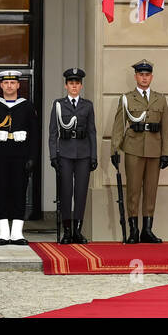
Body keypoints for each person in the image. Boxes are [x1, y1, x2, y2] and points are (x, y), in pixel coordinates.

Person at [110, 59, 168, 244]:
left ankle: (147, 229)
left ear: (151, 77)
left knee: (151, 191)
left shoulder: (160, 98)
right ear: (136, 76)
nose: (144, 78)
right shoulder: (127, 98)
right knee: (134, 191)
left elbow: (166, 128)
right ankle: (134, 230)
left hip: (154, 148)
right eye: (141, 75)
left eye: (147, 75)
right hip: (134, 148)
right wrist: (115, 149)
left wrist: (166, 152)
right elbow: (119, 125)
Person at [0, 69, 38, 246]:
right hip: (0, 155)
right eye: (6, 83)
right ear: (1, 85)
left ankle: (16, 233)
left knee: (18, 192)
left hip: (20, 156)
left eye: (12, 83)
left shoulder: (27, 106)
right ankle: (2, 232)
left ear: (18, 85)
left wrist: (32, 157)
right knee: (0, 192)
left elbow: (34, 134)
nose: (9, 86)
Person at [48, 67, 97, 244]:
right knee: (66, 192)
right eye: (71, 83)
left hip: (83, 153)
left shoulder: (88, 105)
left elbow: (92, 131)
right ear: (66, 85)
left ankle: (78, 231)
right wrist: (53, 155)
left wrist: (94, 156)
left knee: (81, 193)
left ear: (81, 86)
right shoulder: (58, 104)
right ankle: (67, 231)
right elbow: (53, 132)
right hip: (65, 153)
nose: (74, 86)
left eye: (77, 83)